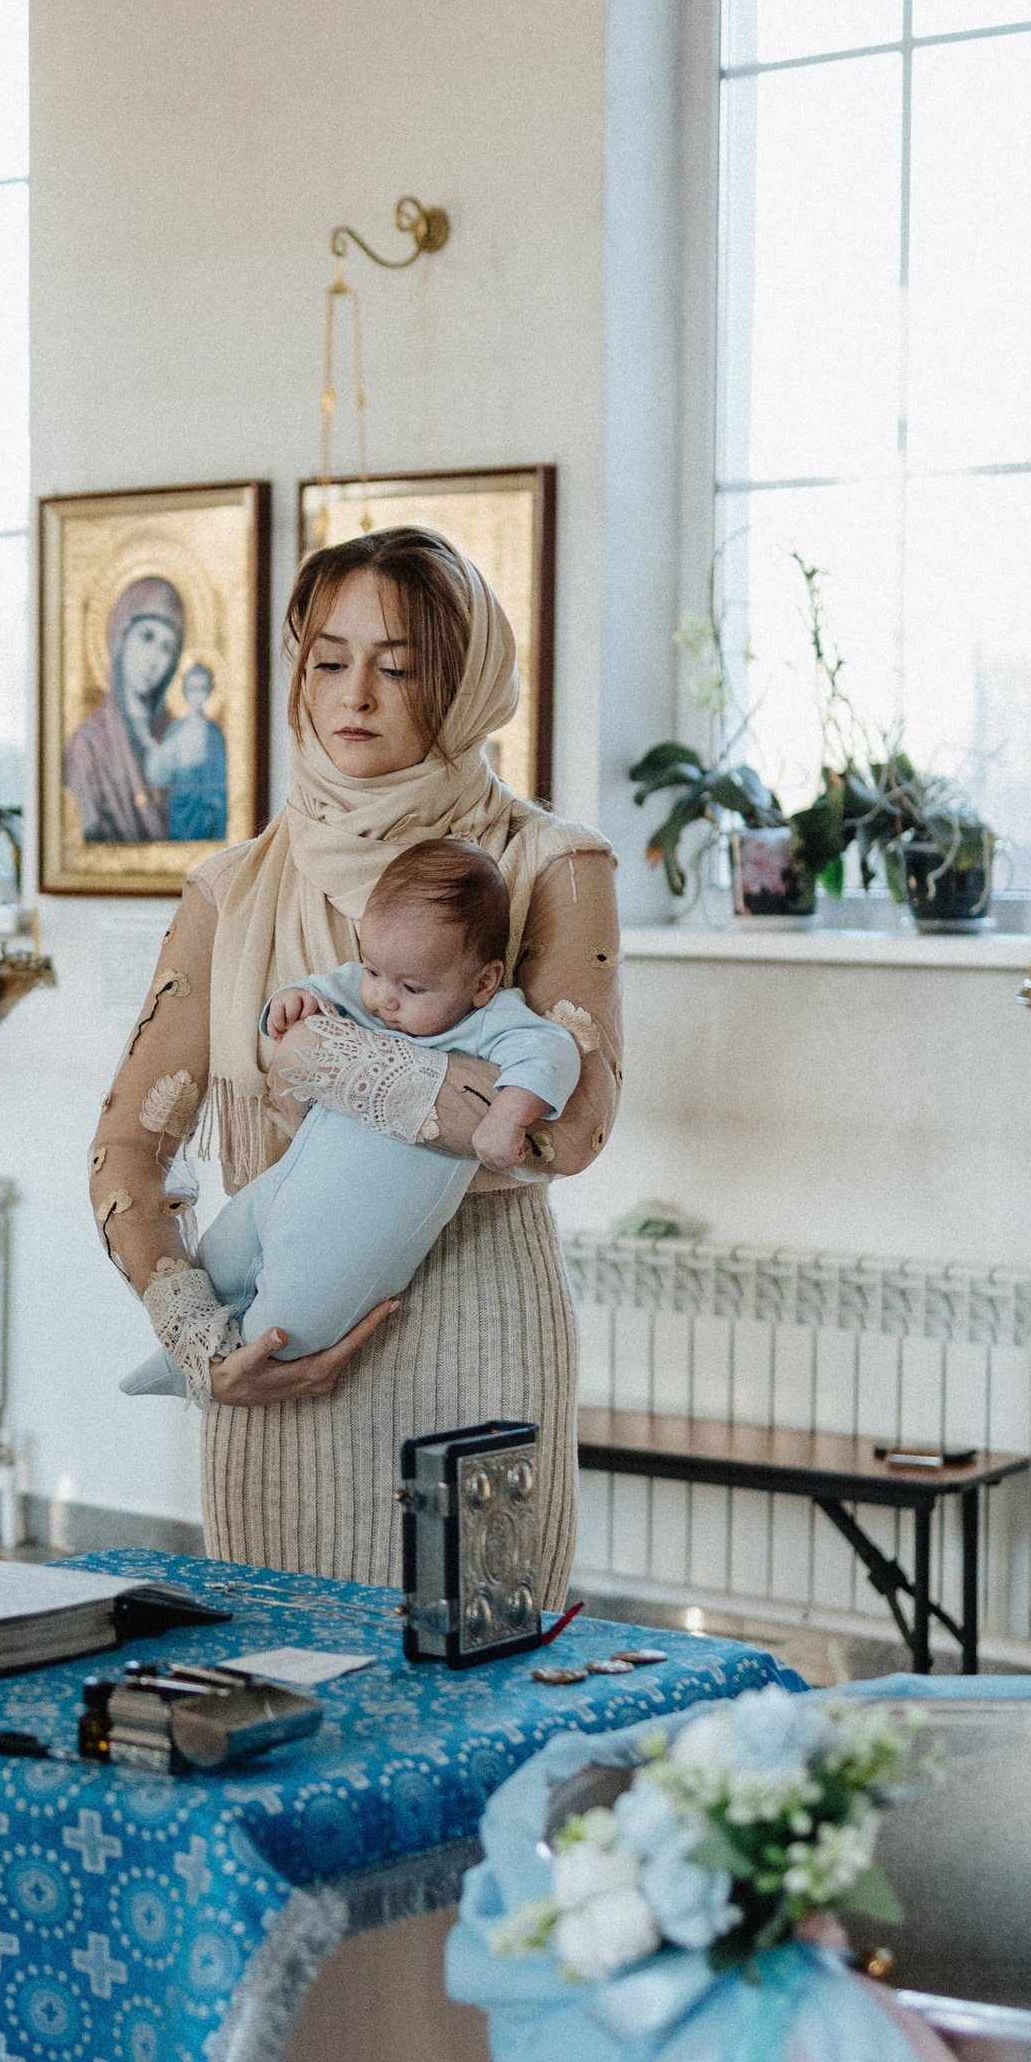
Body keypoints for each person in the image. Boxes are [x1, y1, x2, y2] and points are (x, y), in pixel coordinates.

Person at [86, 524, 622, 1591]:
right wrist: (200, 1346)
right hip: (279, 1362)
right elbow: (126, 1151)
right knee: (280, 1705)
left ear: (464, 683)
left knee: (480, 1704)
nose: (355, 695)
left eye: (400, 665)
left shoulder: (546, 865)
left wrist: (323, 1059)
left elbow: (571, 1127)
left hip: (480, 1348)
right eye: (328, 660)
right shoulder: (230, 890)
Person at [120, 841, 580, 1394]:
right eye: (374, 971)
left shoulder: (489, 1022)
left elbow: (553, 1052)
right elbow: (316, 992)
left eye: (412, 988)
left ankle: (217, 1368)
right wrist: (290, 1003)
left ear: (483, 982)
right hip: (280, 1187)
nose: (384, 999)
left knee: (286, 1327)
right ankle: (182, 1364)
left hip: (347, 1238)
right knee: (216, 1259)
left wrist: (510, 1112)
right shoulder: (372, 990)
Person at [63, 573, 186, 841]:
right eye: (147, 637)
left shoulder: (178, 735)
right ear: (120, 637)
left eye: (167, 647)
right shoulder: (88, 745)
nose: (155, 658)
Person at [146, 658, 228, 840]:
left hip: (207, 812)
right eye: (192, 689)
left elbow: (221, 780)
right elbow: (161, 773)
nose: (197, 694)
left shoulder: (215, 734)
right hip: (180, 807)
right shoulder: (176, 730)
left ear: (209, 691)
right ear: (185, 692)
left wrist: (214, 802)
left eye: (202, 689)